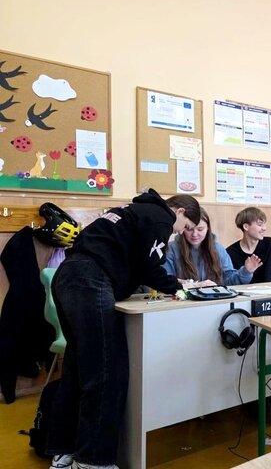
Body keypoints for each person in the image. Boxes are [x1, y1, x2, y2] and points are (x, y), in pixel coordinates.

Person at [47, 189, 205, 469]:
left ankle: (63, 451)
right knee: (107, 372)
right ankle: (92, 460)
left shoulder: (130, 210)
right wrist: (181, 286)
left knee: (77, 367)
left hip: (68, 276)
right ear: (179, 211)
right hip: (91, 280)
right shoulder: (161, 216)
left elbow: (131, 259)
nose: (181, 232)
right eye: (186, 226)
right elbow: (149, 267)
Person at [165, 208, 261, 285]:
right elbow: (166, 279)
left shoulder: (218, 249)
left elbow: (229, 281)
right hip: (183, 300)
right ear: (183, 228)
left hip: (213, 299)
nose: (195, 234)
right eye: (189, 229)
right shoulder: (172, 249)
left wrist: (246, 271)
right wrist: (195, 285)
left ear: (207, 229)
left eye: (200, 229)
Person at [226, 207, 271, 284]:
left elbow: (270, 278)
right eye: (260, 224)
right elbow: (233, 282)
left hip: (266, 289)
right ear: (246, 227)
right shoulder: (230, 252)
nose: (264, 228)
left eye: (264, 224)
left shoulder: (270, 244)